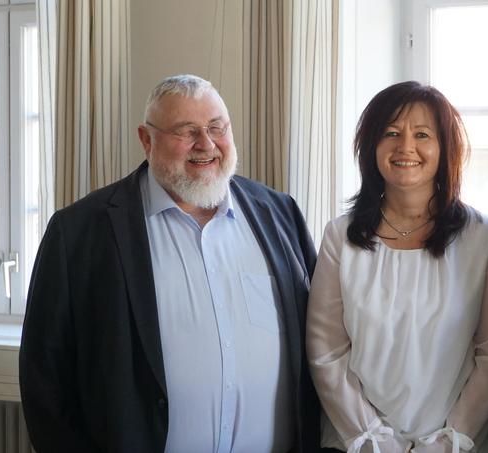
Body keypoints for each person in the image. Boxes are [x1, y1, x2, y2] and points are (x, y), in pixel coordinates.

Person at [19, 74, 320, 452]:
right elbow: (44, 380)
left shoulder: (280, 213)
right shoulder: (79, 232)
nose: (206, 144)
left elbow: (317, 342)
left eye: (216, 128)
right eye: (186, 131)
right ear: (147, 140)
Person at [306, 81, 488, 453]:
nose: (406, 147)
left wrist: (448, 442)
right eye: (391, 133)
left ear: (445, 148)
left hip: (460, 444)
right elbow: (327, 352)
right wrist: (373, 440)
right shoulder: (340, 237)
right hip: (358, 443)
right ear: (372, 146)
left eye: (422, 134)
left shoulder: (484, 239)